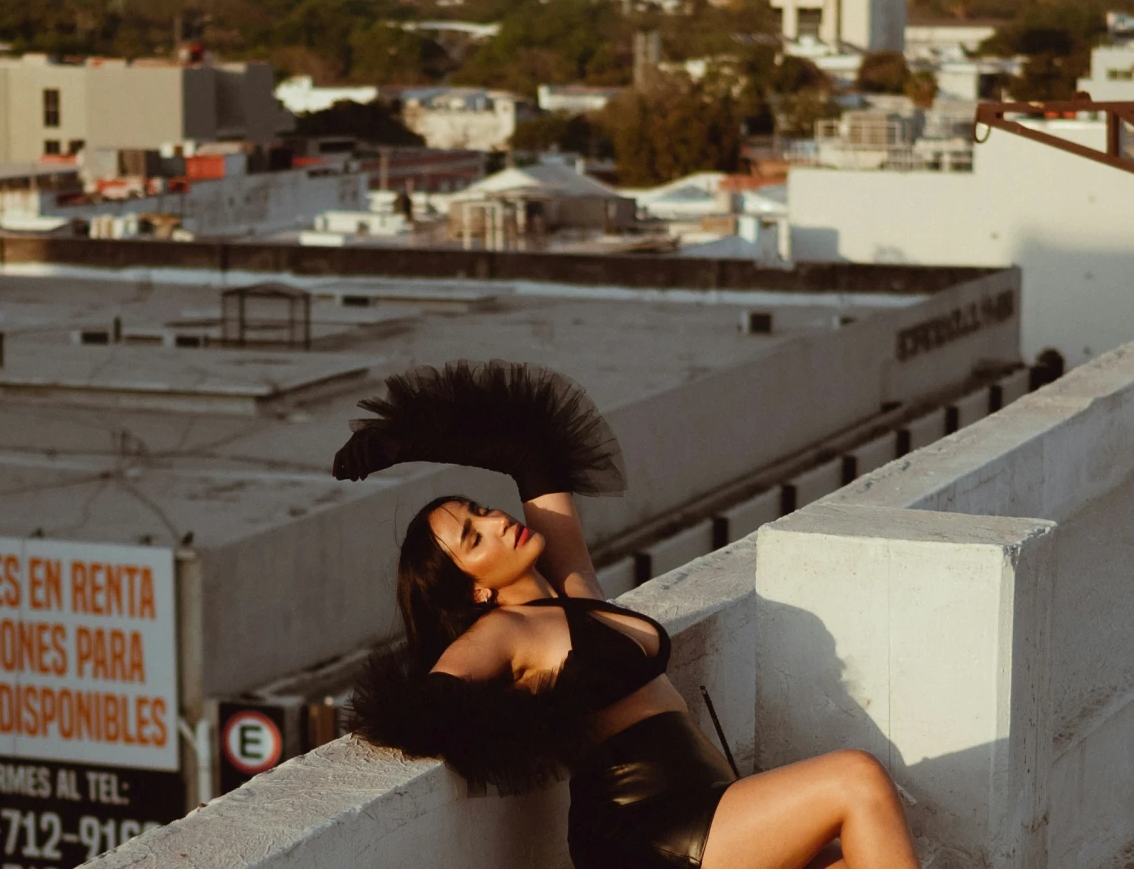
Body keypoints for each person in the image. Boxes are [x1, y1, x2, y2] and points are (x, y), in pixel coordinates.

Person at [334, 360, 919, 869]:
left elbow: (530, 446)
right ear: (476, 592)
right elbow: (426, 704)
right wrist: (524, 722)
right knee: (856, 778)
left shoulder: (571, 587)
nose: (495, 521)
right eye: (474, 537)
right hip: (648, 830)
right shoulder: (501, 631)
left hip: (707, 804)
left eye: (482, 510)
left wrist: (402, 441)